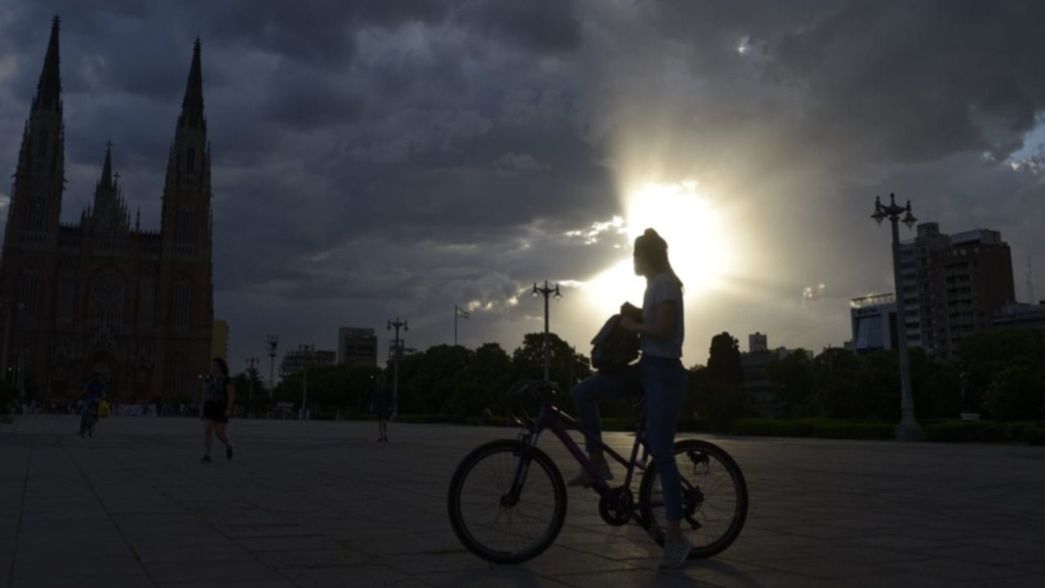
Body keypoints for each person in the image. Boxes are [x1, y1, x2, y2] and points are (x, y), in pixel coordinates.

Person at [570, 228, 692, 569]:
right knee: (583, 391)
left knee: (663, 455)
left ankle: (676, 537)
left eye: (635, 255)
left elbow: (665, 330)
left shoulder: (665, 283)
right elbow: (656, 322)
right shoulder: (655, 285)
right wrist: (638, 314)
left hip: (665, 374)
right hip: (647, 369)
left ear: (645, 256)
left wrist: (633, 327)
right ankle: (597, 461)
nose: (632, 260)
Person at [200, 357, 235, 463]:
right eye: (212, 365)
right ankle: (207, 454)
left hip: (221, 407)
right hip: (209, 406)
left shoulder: (227, 380)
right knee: (208, 430)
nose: (212, 367)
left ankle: (228, 445)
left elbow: (231, 396)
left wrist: (229, 409)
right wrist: (202, 409)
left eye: (215, 365)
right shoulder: (208, 379)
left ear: (220, 367)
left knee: (219, 433)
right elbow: (204, 395)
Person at [80, 373, 106, 438]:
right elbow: (85, 389)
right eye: (96, 377)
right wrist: (84, 393)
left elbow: (104, 391)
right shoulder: (90, 383)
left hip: (97, 399)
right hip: (89, 399)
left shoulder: (102, 384)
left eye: (98, 377)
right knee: (84, 413)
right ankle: (82, 430)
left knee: (97, 412)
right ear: (93, 377)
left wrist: (103, 396)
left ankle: (94, 421)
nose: (97, 378)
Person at [370, 376, 394, 442]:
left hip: (385, 407)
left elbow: (391, 397)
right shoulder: (377, 388)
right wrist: (372, 405)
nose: (377, 381)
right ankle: (381, 436)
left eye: (378, 380)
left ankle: (385, 435)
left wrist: (390, 406)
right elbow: (374, 397)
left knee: (383, 421)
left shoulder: (387, 388)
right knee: (380, 422)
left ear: (382, 380)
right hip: (378, 407)